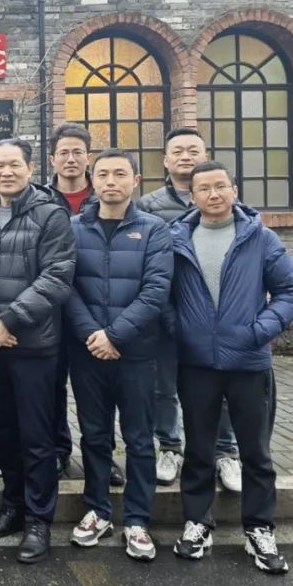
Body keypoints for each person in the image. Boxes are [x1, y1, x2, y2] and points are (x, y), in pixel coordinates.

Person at [168, 161, 293, 574]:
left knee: (256, 452)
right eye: (204, 188)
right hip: (196, 364)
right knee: (199, 449)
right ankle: (197, 523)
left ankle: (259, 528)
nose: (213, 194)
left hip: (248, 362)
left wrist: (260, 330)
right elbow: (160, 294)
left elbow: (290, 289)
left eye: (220, 186)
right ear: (192, 195)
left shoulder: (260, 237)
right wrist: (180, 330)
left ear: (234, 189)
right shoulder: (176, 238)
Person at [0, 138, 76, 564]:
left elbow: (57, 276)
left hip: (34, 344)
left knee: (36, 436)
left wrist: (9, 320)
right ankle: (13, 504)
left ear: (31, 169)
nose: (7, 172)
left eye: (15, 164)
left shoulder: (50, 214)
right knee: (0, 430)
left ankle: (38, 519)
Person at [64, 150, 173, 561]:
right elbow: (65, 286)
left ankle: (138, 519)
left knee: (140, 439)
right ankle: (97, 510)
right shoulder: (73, 228)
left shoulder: (154, 230)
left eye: (120, 174)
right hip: (87, 353)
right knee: (94, 435)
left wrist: (115, 336)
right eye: (103, 174)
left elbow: (156, 291)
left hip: (136, 354)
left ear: (136, 180)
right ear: (92, 179)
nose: (111, 181)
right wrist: (92, 334)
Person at [139, 127, 242, 491]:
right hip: (166, 313)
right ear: (165, 160)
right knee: (163, 388)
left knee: (221, 388)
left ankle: (225, 452)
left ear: (205, 155)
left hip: (216, 319)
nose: (186, 156)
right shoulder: (148, 206)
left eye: (193, 150)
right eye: (178, 151)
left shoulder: (227, 203)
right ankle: (169, 447)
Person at [44, 122, 102, 483]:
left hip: (94, 310)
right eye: (63, 152)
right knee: (52, 386)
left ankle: (101, 459)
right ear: (52, 159)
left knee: (93, 391)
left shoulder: (106, 196)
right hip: (50, 310)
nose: (70, 159)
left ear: (88, 157)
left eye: (77, 152)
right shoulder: (39, 199)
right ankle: (57, 450)